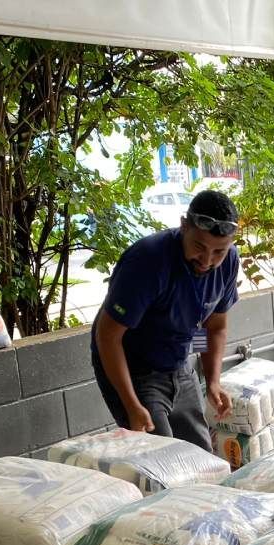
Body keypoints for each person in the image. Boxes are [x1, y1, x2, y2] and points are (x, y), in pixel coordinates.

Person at [91, 190, 239, 451]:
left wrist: (212, 381)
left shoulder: (228, 263)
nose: (207, 261)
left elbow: (211, 327)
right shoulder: (148, 261)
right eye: (199, 247)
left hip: (178, 362)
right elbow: (107, 335)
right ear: (184, 226)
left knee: (200, 453)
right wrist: (131, 405)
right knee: (161, 455)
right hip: (134, 367)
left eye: (219, 251)